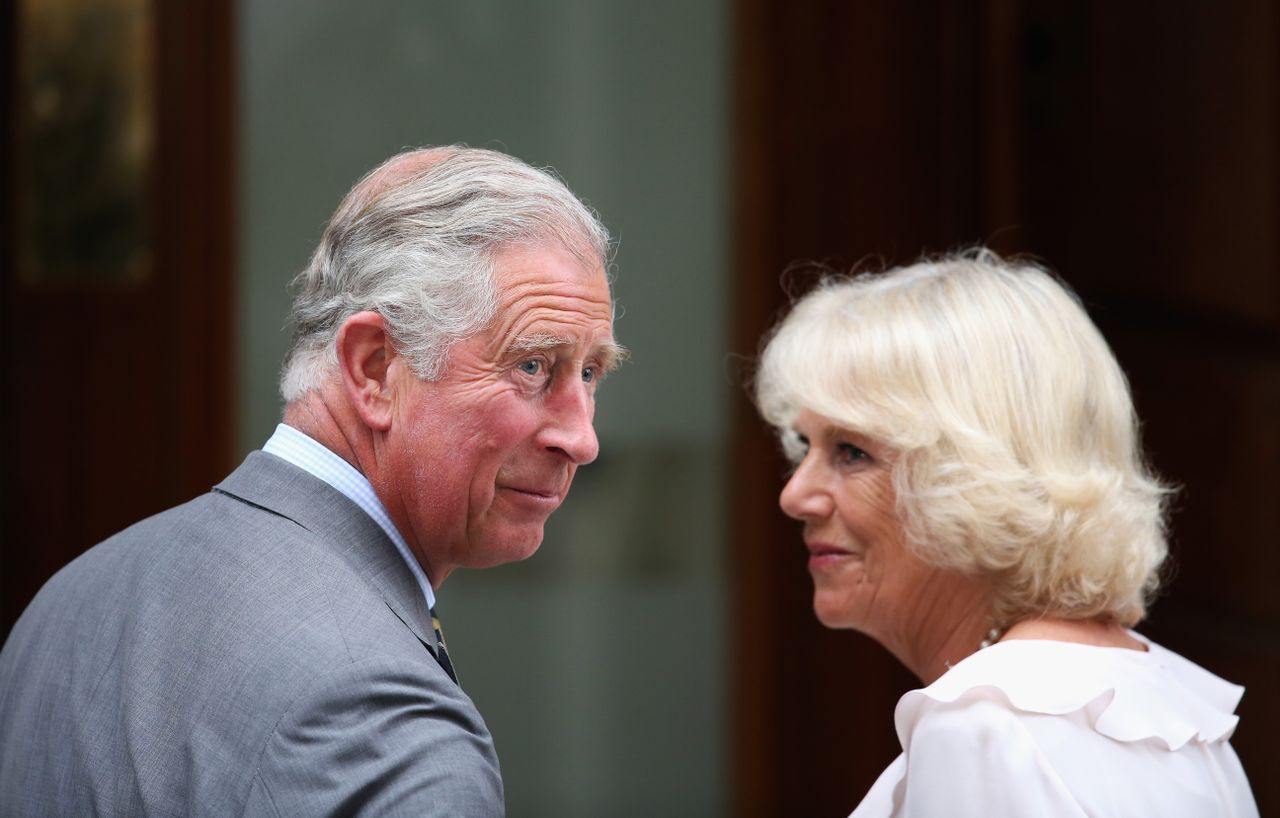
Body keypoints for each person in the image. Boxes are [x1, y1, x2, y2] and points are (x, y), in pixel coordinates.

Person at [0, 146, 623, 817]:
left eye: (590, 372)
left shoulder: (72, 597)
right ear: (375, 368)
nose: (581, 438)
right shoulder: (381, 726)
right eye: (533, 366)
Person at [754, 251, 1259, 817]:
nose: (795, 496)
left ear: (978, 475)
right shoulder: (1162, 702)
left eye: (852, 452)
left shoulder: (984, 726)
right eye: (803, 446)